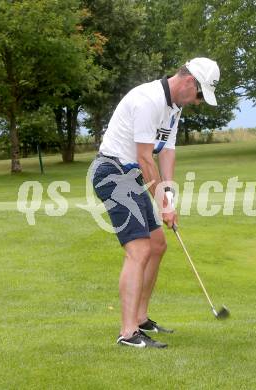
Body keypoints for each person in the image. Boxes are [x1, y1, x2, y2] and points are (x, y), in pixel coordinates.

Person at [92, 57, 220, 348]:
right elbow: (144, 157)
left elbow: (167, 152)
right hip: (112, 172)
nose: (199, 101)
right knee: (139, 249)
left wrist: (169, 196)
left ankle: (140, 317)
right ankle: (128, 333)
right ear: (190, 81)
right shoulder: (149, 100)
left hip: (130, 175)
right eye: (200, 94)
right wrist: (162, 203)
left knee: (158, 243)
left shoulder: (174, 108)